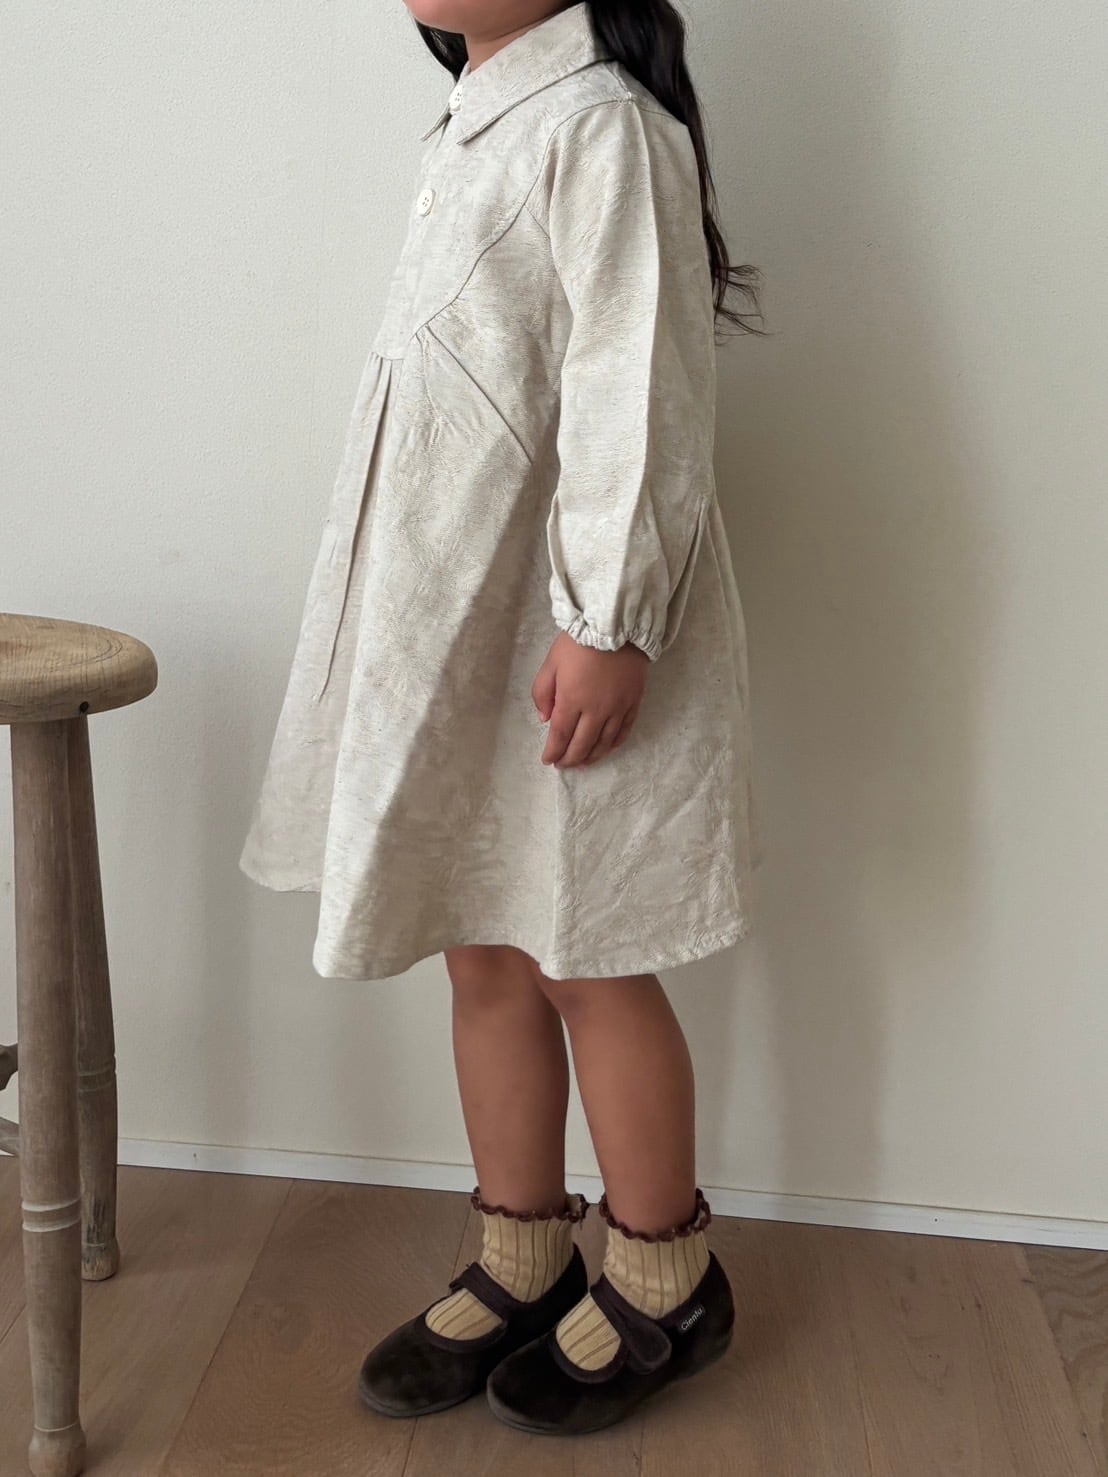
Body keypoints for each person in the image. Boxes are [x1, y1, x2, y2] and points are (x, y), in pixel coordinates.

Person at [239, 0, 764, 1436]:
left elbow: (637, 394)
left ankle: (666, 1272)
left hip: (563, 624)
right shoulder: (478, 120)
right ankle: (522, 1252)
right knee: (480, 934)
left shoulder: (604, 125)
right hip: (458, 626)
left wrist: (607, 621)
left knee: (587, 946)